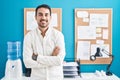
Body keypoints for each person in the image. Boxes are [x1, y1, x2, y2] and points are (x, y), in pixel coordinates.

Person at [23, 4, 66, 80]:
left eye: (46, 15)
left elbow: (59, 61)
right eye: (40, 15)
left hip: (56, 78)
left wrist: (36, 57)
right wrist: (52, 58)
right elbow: (27, 63)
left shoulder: (58, 35)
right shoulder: (29, 37)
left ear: (50, 17)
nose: (43, 18)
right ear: (35, 17)